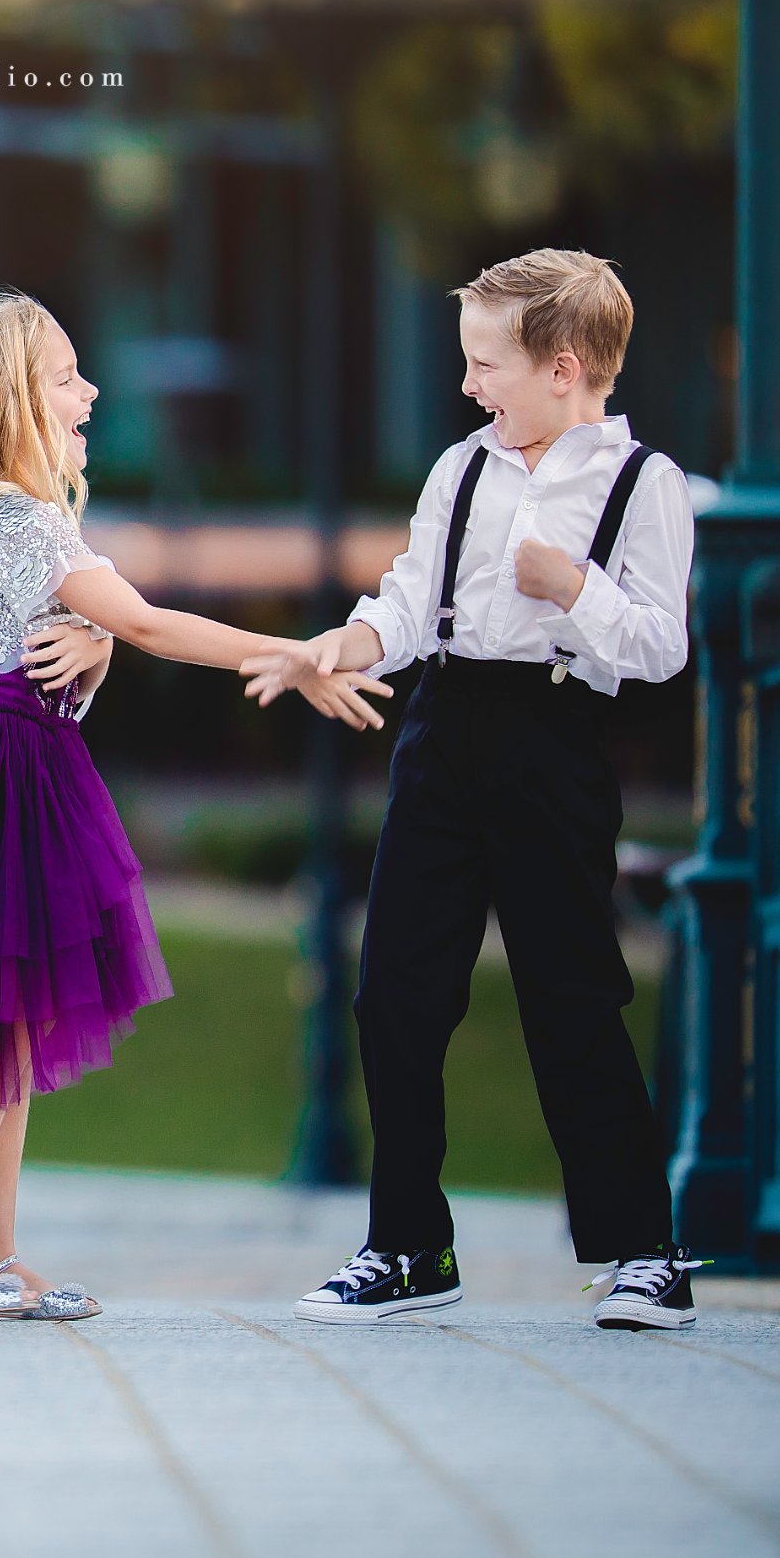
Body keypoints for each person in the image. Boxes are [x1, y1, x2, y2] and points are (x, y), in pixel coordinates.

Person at [0, 288, 391, 1319]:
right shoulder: (16, 513)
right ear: (9, 398)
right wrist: (288, 652)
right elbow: (146, 622)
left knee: (17, 1015)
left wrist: (89, 653)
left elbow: (88, 636)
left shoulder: (22, 513)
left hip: (15, 757)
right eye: (64, 375)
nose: (89, 389)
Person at [252, 249, 701, 1330]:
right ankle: (407, 1244)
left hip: (555, 742)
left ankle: (646, 1253)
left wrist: (576, 585)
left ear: (566, 367)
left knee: (573, 998)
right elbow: (411, 594)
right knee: (395, 992)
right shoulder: (463, 469)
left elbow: (662, 646)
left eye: (485, 363)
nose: (468, 385)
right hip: (443, 733)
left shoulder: (646, 484)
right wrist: (350, 641)